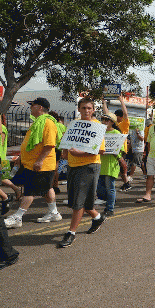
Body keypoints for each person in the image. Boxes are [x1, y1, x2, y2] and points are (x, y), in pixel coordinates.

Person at [4, 97, 61, 229]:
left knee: (29, 191)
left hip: (41, 165)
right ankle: (54, 213)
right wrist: (21, 156)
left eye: (33, 105)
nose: (30, 107)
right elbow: (31, 144)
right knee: (47, 189)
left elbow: (49, 145)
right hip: (33, 163)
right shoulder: (39, 122)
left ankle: (17, 217)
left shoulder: (47, 123)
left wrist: (39, 161)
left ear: (40, 107)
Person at [58, 98, 107, 248]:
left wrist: (80, 153)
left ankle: (71, 232)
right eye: (83, 108)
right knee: (78, 200)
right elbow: (67, 141)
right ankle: (97, 217)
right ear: (79, 109)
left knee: (78, 201)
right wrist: (65, 152)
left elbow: (101, 150)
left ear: (93, 110)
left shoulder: (98, 126)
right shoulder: (74, 124)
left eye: (89, 108)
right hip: (72, 166)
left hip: (89, 166)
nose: (86, 110)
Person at [95, 113, 124, 217]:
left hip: (110, 165)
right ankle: (108, 202)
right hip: (99, 164)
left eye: (107, 120)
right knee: (100, 188)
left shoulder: (117, 133)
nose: (104, 122)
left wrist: (115, 152)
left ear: (112, 122)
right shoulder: (99, 133)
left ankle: (110, 208)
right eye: (103, 119)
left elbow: (121, 150)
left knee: (110, 188)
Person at [103, 95, 131, 191]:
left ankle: (126, 183)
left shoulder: (124, 124)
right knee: (120, 169)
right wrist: (103, 102)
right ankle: (126, 183)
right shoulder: (113, 124)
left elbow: (126, 113)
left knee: (122, 168)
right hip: (111, 149)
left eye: (116, 115)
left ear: (119, 117)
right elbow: (106, 113)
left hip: (120, 150)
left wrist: (121, 100)